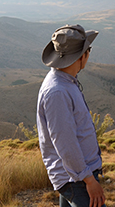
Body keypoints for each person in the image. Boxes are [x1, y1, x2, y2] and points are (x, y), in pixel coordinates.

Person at [36, 24, 106, 207]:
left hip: (74, 175)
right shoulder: (58, 91)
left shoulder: (64, 82)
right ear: (82, 56)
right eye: (88, 50)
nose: (89, 55)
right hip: (77, 179)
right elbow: (65, 142)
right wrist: (89, 180)